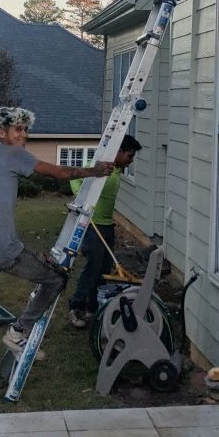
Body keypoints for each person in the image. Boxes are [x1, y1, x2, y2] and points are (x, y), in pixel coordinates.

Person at [0, 105, 114, 414]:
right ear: (2, 132)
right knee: (56, 278)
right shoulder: (13, 154)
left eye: (25, 129)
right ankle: (18, 332)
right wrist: (95, 170)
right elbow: (61, 173)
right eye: (17, 130)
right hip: (3, 249)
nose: (23, 135)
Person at [67, 134, 142, 327]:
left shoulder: (116, 170)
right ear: (118, 152)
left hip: (107, 225)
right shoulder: (100, 166)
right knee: (92, 267)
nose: (130, 161)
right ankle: (76, 308)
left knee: (104, 269)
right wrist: (81, 200)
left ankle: (94, 308)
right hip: (93, 225)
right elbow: (75, 180)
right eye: (129, 156)